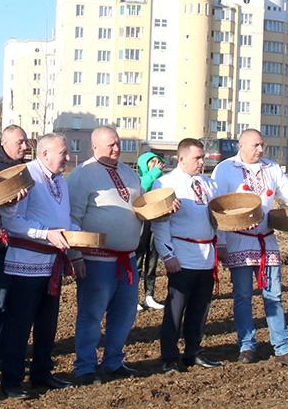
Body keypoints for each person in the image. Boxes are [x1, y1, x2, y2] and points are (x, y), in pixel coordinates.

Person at [212, 129, 288, 366]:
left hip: (266, 241)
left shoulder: (271, 168)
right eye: (256, 145)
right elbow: (217, 207)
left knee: (274, 295)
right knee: (242, 296)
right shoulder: (225, 169)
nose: (261, 150)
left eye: (262, 145)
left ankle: (283, 347)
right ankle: (246, 346)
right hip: (238, 241)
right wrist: (220, 243)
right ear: (241, 145)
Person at [0, 133, 75, 399]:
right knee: (19, 324)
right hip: (26, 263)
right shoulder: (26, 176)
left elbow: (63, 218)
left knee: (47, 323)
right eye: (63, 153)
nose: (68, 157)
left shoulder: (60, 180)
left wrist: (78, 235)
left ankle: (42, 373)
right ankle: (11, 381)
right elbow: (12, 221)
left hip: (52, 262)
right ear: (44, 154)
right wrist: (45, 234)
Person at [67, 126, 144, 384]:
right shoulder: (82, 175)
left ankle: (113, 361)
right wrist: (75, 255)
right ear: (95, 146)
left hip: (127, 258)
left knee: (125, 313)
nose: (116, 148)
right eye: (111, 144)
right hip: (96, 260)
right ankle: (85, 367)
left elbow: (140, 208)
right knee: (91, 314)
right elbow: (72, 218)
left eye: (118, 143)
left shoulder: (129, 173)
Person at [152, 138, 220, 373]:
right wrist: (167, 254)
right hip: (182, 255)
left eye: (203, 157)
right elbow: (159, 223)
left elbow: (217, 218)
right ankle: (169, 357)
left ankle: (194, 351)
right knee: (175, 309)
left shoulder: (209, 184)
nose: (201, 162)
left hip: (206, 256)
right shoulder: (165, 184)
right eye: (197, 158)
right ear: (181, 159)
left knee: (200, 308)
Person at [0, 124, 29, 369]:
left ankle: (12, 344)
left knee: (19, 297)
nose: (25, 146)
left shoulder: (25, 169)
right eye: (20, 142)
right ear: (5, 142)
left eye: (26, 142)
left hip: (24, 241)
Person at [135, 149, 166, 312]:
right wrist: (154, 173)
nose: (156, 165)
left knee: (153, 259)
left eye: (158, 162)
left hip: (156, 221)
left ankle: (149, 295)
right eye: (152, 162)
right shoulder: (138, 179)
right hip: (141, 222)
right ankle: (133, 297)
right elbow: (142, 188)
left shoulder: (161, 181)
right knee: (138, 259)